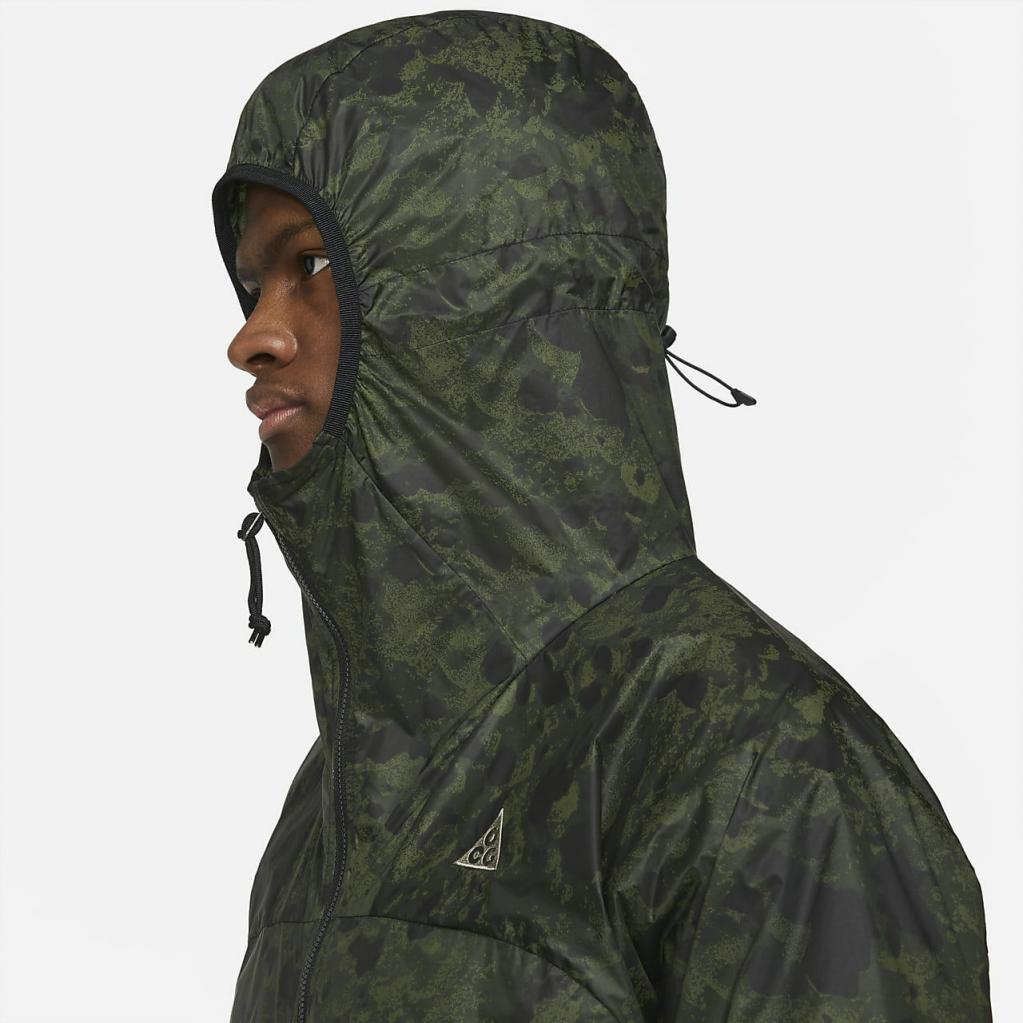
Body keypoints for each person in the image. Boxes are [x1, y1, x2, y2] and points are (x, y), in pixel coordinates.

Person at [211, 10, 992, 1021]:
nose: (252, 336)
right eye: (251, 285)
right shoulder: (335, 800)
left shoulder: (759, 765)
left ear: (488, 294)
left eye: (312, 266)